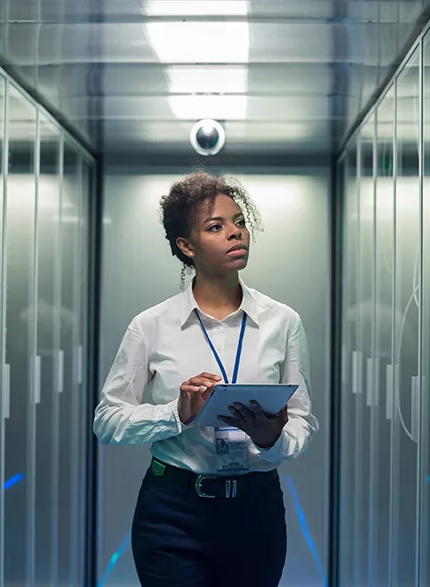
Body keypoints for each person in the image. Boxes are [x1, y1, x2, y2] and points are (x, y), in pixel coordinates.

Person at [93, 171, 318, 587]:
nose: (236, 234)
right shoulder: (151, 325)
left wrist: (272, 439)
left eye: (239, 222)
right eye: (216, 227)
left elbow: (304, 420)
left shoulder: (283, 322)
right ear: (186, 246)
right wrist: (175, 414)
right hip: (172, 511)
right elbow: (107, 422)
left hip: (256, 510)